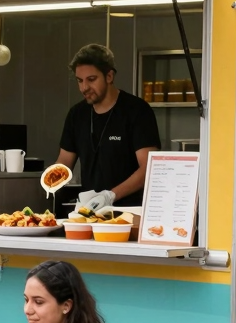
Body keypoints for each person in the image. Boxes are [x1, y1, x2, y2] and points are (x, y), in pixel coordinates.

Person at [55, 43, 160, 211]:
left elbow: (149, 168)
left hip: (130, 212)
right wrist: (50, 181)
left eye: (91, 79)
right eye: (79, 81)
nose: (84, 88)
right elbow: (64, 162)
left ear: (109, 76)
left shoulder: (137, 111)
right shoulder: (77, 114)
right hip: (88, 211)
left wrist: (109, 196)